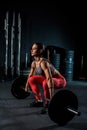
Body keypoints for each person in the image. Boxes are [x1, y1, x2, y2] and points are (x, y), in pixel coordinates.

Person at [25, 42, 66, 114]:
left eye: (34, 49)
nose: (31, 50)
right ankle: (39, 101)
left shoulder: (44, 63)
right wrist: (26, 86)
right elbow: (30, 75)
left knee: (46, 82)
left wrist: (52, 98)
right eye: (32, 48)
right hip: (48, 80)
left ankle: (47, 104)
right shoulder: (34, 63)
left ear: (40, 51)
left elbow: (49, 79)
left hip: (60, 80)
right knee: (31, 79)